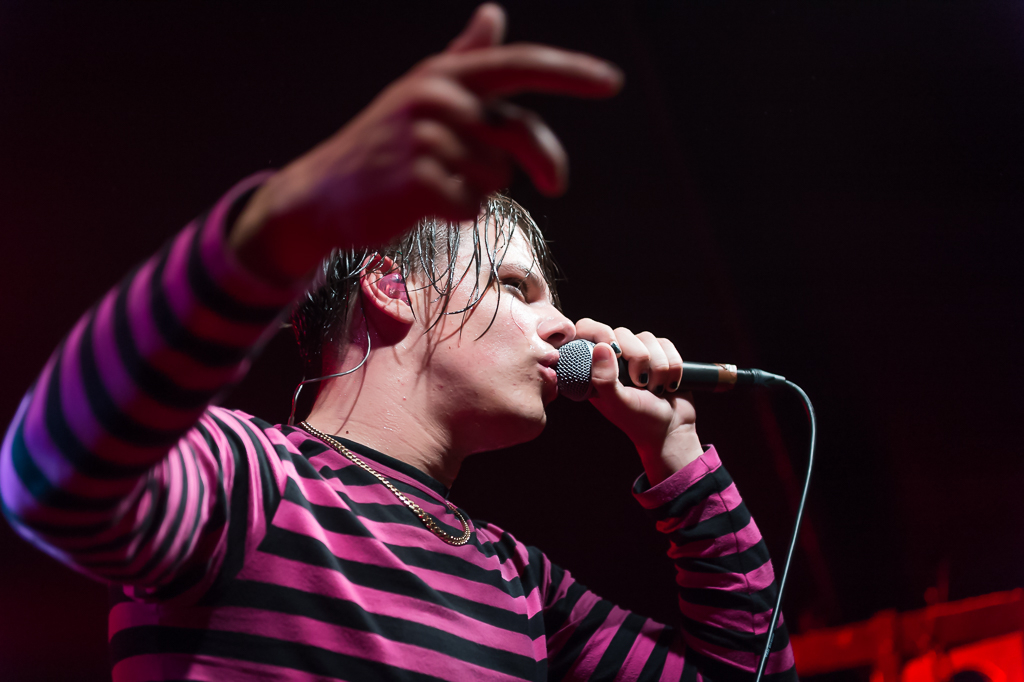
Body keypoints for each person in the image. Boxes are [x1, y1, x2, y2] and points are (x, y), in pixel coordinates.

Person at [0, 5, 796, 681]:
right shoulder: (254, 483)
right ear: (389, 288)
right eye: (516, 287)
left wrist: (678, 453)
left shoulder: (522, 582)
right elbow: (48, 475)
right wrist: (275, 229)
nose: (566, 327)